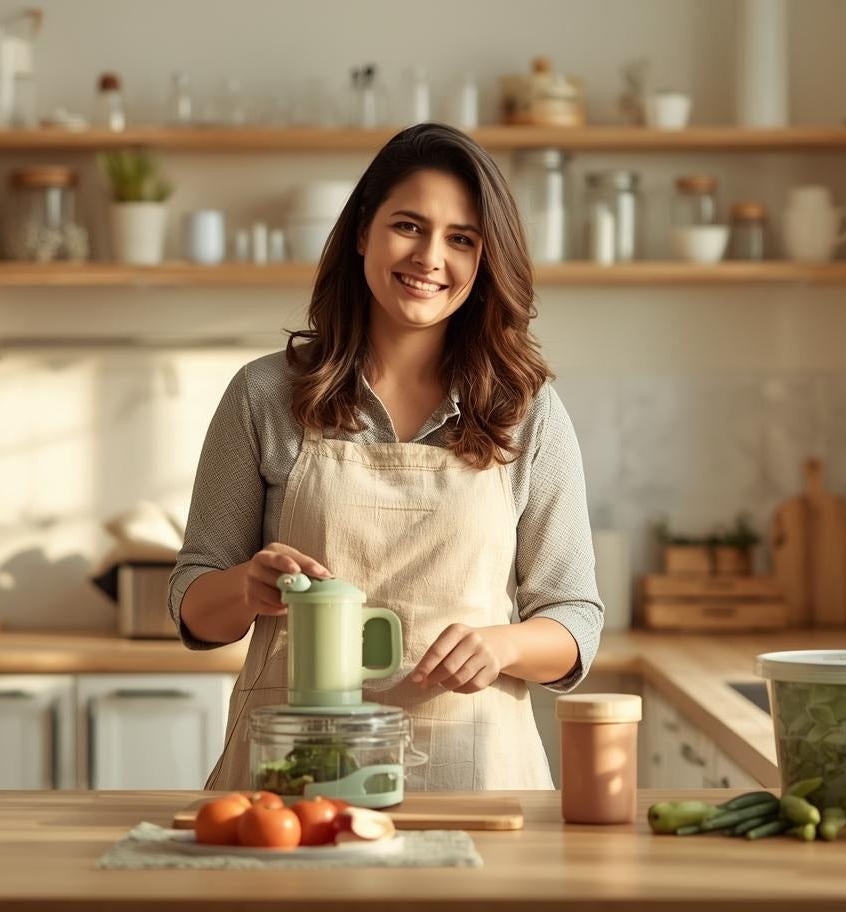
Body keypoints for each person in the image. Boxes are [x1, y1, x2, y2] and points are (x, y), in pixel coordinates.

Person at [168, 123, 602, 790]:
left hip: (476, 781)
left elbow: (575, 619)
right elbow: (194, 602)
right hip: (291, 790)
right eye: (409, 226)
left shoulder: (528, 411)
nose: (431, 257)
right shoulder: (263, 396)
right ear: (363, 232)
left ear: (486, 261)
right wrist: (246, 586)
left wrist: (503, 644)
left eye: (462, 239)